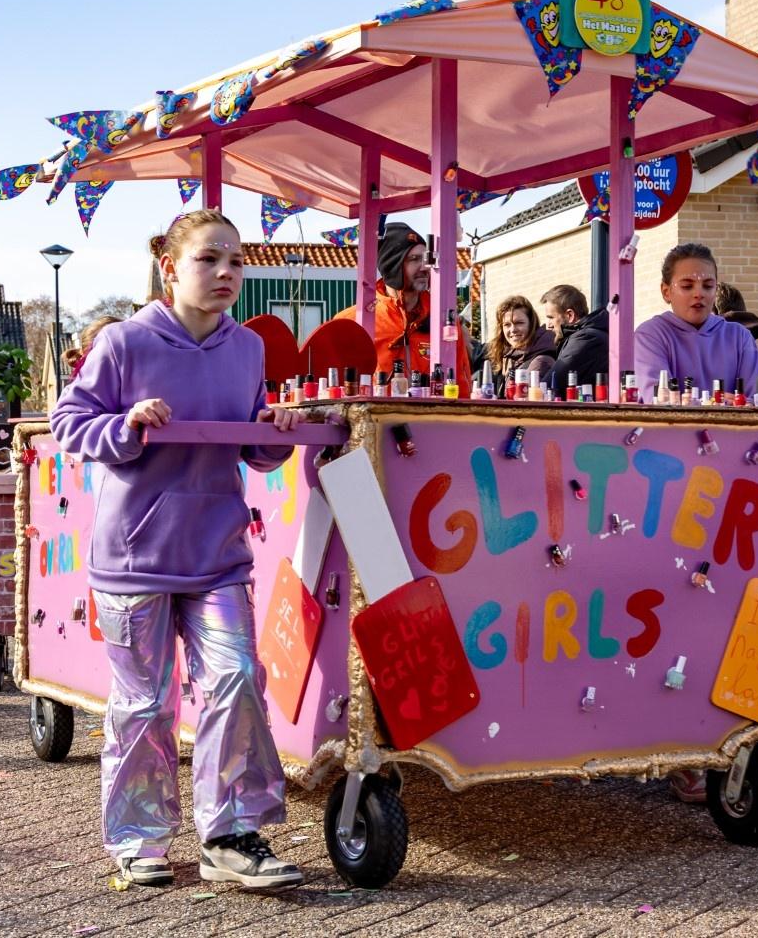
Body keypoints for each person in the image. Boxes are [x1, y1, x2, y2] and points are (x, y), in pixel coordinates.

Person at [53, 208, 306, 890]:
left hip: (217, 552)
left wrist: (274, 430)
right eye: (209, 258)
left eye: (236, 261)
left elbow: (251, 445)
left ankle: (229, 836)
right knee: (144, 704)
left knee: (237, 679)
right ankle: (139, 840)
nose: (226, 272)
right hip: (134, 557)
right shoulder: (124, 343)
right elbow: (69, 423)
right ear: (170, 267)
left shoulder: (248, 348)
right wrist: (126, 424)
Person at [336, 222, 472, 393]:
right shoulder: (352, 321)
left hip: (433, 410)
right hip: (374, 410)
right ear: (391, 265)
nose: (424, 267)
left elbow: (461, 382)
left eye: (425, 259)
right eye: (414, 259)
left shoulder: (444, 319)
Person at [634, 243, 758, 398]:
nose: (699, 294)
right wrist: (722, 404)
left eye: (707, 286)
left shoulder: (740, 337)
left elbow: (757, 402)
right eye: (687, 286)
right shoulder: (650, 336)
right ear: (666, 292)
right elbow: (659, 402)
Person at [540, 284, 607, 394]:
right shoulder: (590, 335)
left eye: (551, 318)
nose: (548, 326)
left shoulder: (585, 338)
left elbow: (551, 383)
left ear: (570, 315)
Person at [484, 295, 556, 394]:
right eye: (507, 325)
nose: (513, 329)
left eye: (519, 323)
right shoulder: (510, 357)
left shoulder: (541, 361)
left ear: (531, 324)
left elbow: (525, 401)